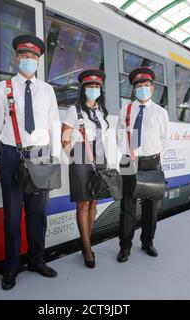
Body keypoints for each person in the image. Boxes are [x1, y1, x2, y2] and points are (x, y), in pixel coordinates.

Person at [0, 35, 62, 290]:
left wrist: (56, 159)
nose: (28, 60)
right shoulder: (3, 88)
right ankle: (11, 267)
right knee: (12, 216)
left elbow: (54, 125)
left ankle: (37, 261)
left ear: (39, 61)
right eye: (24, 56)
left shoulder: (47, 90)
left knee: (38, 214)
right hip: (10, 156)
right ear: (16, 58)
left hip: (40, 156)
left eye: (33, 57)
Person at [116, 67, 170, 263]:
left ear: (152, 88)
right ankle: (125, 246)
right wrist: (131, 153)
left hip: (151, 161)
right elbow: (119, 134)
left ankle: (147, 241)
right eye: (138, 86)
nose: (142, 89)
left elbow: (165, 139)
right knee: (127, 205)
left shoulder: (160, 112)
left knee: (151, 205)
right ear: (133, 90)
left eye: (146, 85)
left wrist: (151, 154)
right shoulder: (126, 109)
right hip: (129, 160)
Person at [61, 69, 109, 268]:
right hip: (80, 157)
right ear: (83, 89)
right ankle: (87, 249)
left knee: (93, 203)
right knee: (82, 204)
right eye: (90, 87)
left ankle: (85, 242)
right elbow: (64, 138)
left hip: (100, 157)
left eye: (96, 87)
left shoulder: (102, 112)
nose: (93, 89)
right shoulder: (74, 110)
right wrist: (75, 157)